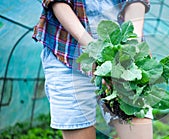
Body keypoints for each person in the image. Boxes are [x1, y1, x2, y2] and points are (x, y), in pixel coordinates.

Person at [32, 0, 151, 139]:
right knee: (79, 126)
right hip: (69, 56)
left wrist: (132, 43)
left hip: (122, 59)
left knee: (137, 125)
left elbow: (135, 2)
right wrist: (95, 50)